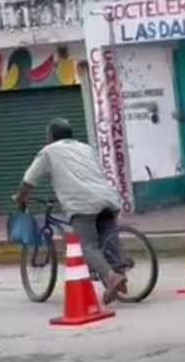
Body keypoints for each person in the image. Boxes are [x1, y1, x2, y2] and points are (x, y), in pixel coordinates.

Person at [13, 118, 128, 303]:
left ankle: (112, 277)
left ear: (50, 137)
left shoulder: (49, 151)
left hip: (82, 203)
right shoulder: (86, 148)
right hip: (108, 198)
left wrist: (20, 197)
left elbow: (29, 180)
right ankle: (121, 277)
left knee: (88, 245)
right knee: (109, 239)